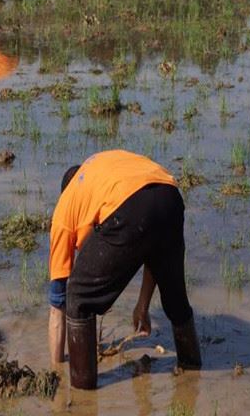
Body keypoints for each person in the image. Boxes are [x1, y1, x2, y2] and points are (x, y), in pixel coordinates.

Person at [48, 150, 201, 390]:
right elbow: (152, 249)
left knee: (77, 296)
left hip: (133, 203)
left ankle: (82, 394)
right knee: (175, 299)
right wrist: (142, 305)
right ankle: (193, 374)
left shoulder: (66, 209)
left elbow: (58, 304)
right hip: (169, 195)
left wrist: (55, 367)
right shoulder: (100, 173)